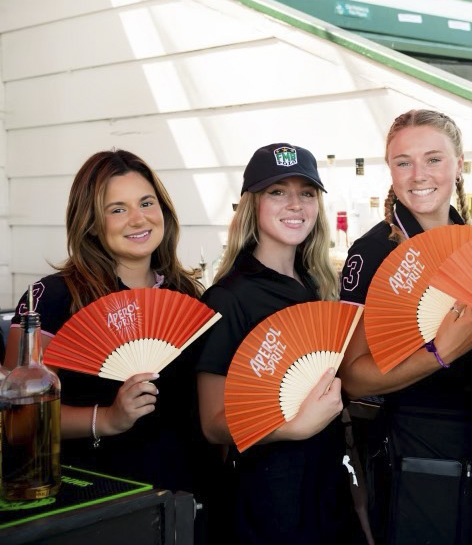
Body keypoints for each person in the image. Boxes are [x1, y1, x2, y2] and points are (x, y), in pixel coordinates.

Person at [339, 110, 472, 545]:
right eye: (403, 162)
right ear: (389, 169)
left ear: (459, 163)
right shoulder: (373, 252)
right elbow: (352, 379)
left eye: (434, 159)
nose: (419, 176)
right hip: (416, 453)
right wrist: (438, 354)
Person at [5, 150, 204, 492]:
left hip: (186, 494)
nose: (138, 219)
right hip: (99, 494)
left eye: (146, 203)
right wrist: (108, 419)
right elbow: (18, 421)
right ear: (92, 223)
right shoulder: (50, 299)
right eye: (117, 209)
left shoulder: (189, 295)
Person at [195, 143, 363, 544]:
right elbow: (213, 424)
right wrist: (293, 427)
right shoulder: (228, 298)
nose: (295, 204)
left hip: (326, 488)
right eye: (277, 191)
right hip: (267, 498)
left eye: (306, 193)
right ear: (252, 204)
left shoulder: (318, 285)